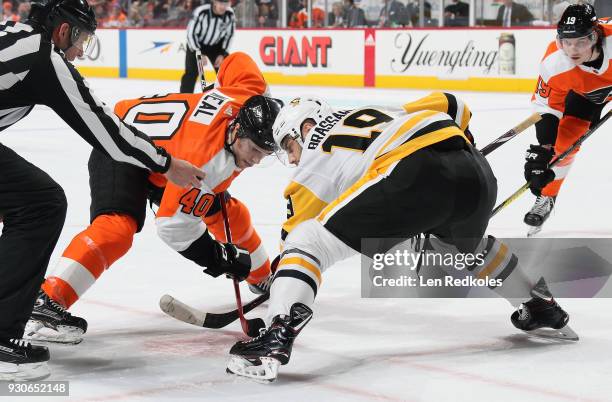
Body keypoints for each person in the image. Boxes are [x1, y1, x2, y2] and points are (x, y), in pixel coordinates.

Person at [226, 93, 575, 382]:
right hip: (477, 174)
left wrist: (280, 282)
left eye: (288, 146)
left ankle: (276, 335)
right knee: (460, 247)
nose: (291, 156)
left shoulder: (308, 168)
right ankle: (538, 306)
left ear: (301, 128)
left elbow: (294, 246)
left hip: (412, 176)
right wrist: (459, 156)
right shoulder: (377, 109)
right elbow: (454, 105)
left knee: (309, 240)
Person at [0, 0, 204, 380]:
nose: (80, 51)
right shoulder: (44, 58)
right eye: (80, 39)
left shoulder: (12, 33)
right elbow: (106, 130)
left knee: (28, 200)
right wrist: (166, 164)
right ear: (63, 31)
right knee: (40, 204)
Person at [25, 52, 281, 345]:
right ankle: (46, 301)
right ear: (236, 131)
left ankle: (260, 277)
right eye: (254, 150)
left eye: (265, 152)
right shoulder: (207, 162)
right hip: (121, 144)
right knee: (117, 228)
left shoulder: (250, 94)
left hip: (167, 154)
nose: (257, 161)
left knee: (229, 212)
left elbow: (238, 60)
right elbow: (173, 225)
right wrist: (220, 259)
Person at [524, 4, 611, 235]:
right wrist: (544, 149)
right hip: (585, 96)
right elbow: (547, 108)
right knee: (562, 145)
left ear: (596, 37)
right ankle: (547, 197)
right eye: (566, 41)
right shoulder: (554, 63)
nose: (573, 49)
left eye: (581, 41)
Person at [180, 0, 235, 93]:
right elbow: (191, 34)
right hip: (196, 45)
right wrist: (198, 53)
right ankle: (185, 98)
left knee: (225, 74)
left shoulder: (229, 14)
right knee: (190, 74)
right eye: (221, 3)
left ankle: (227, 97)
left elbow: (229, 35)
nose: (224, 6)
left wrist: (223, 53)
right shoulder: (201, 12)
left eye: (226, 3)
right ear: (214, 2)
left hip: (217, 46)